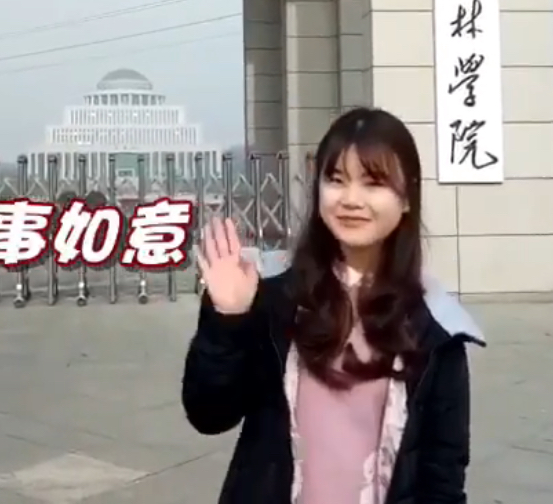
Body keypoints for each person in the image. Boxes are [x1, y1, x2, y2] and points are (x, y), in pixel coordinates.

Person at [181, 107, 486, 503]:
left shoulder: (435, 327)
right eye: (336, 180)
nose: (351, 199)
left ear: (407, 198)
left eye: (373, 182)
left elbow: (442, 477)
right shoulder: (275, 298)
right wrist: (227, 321)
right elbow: (209, 414)